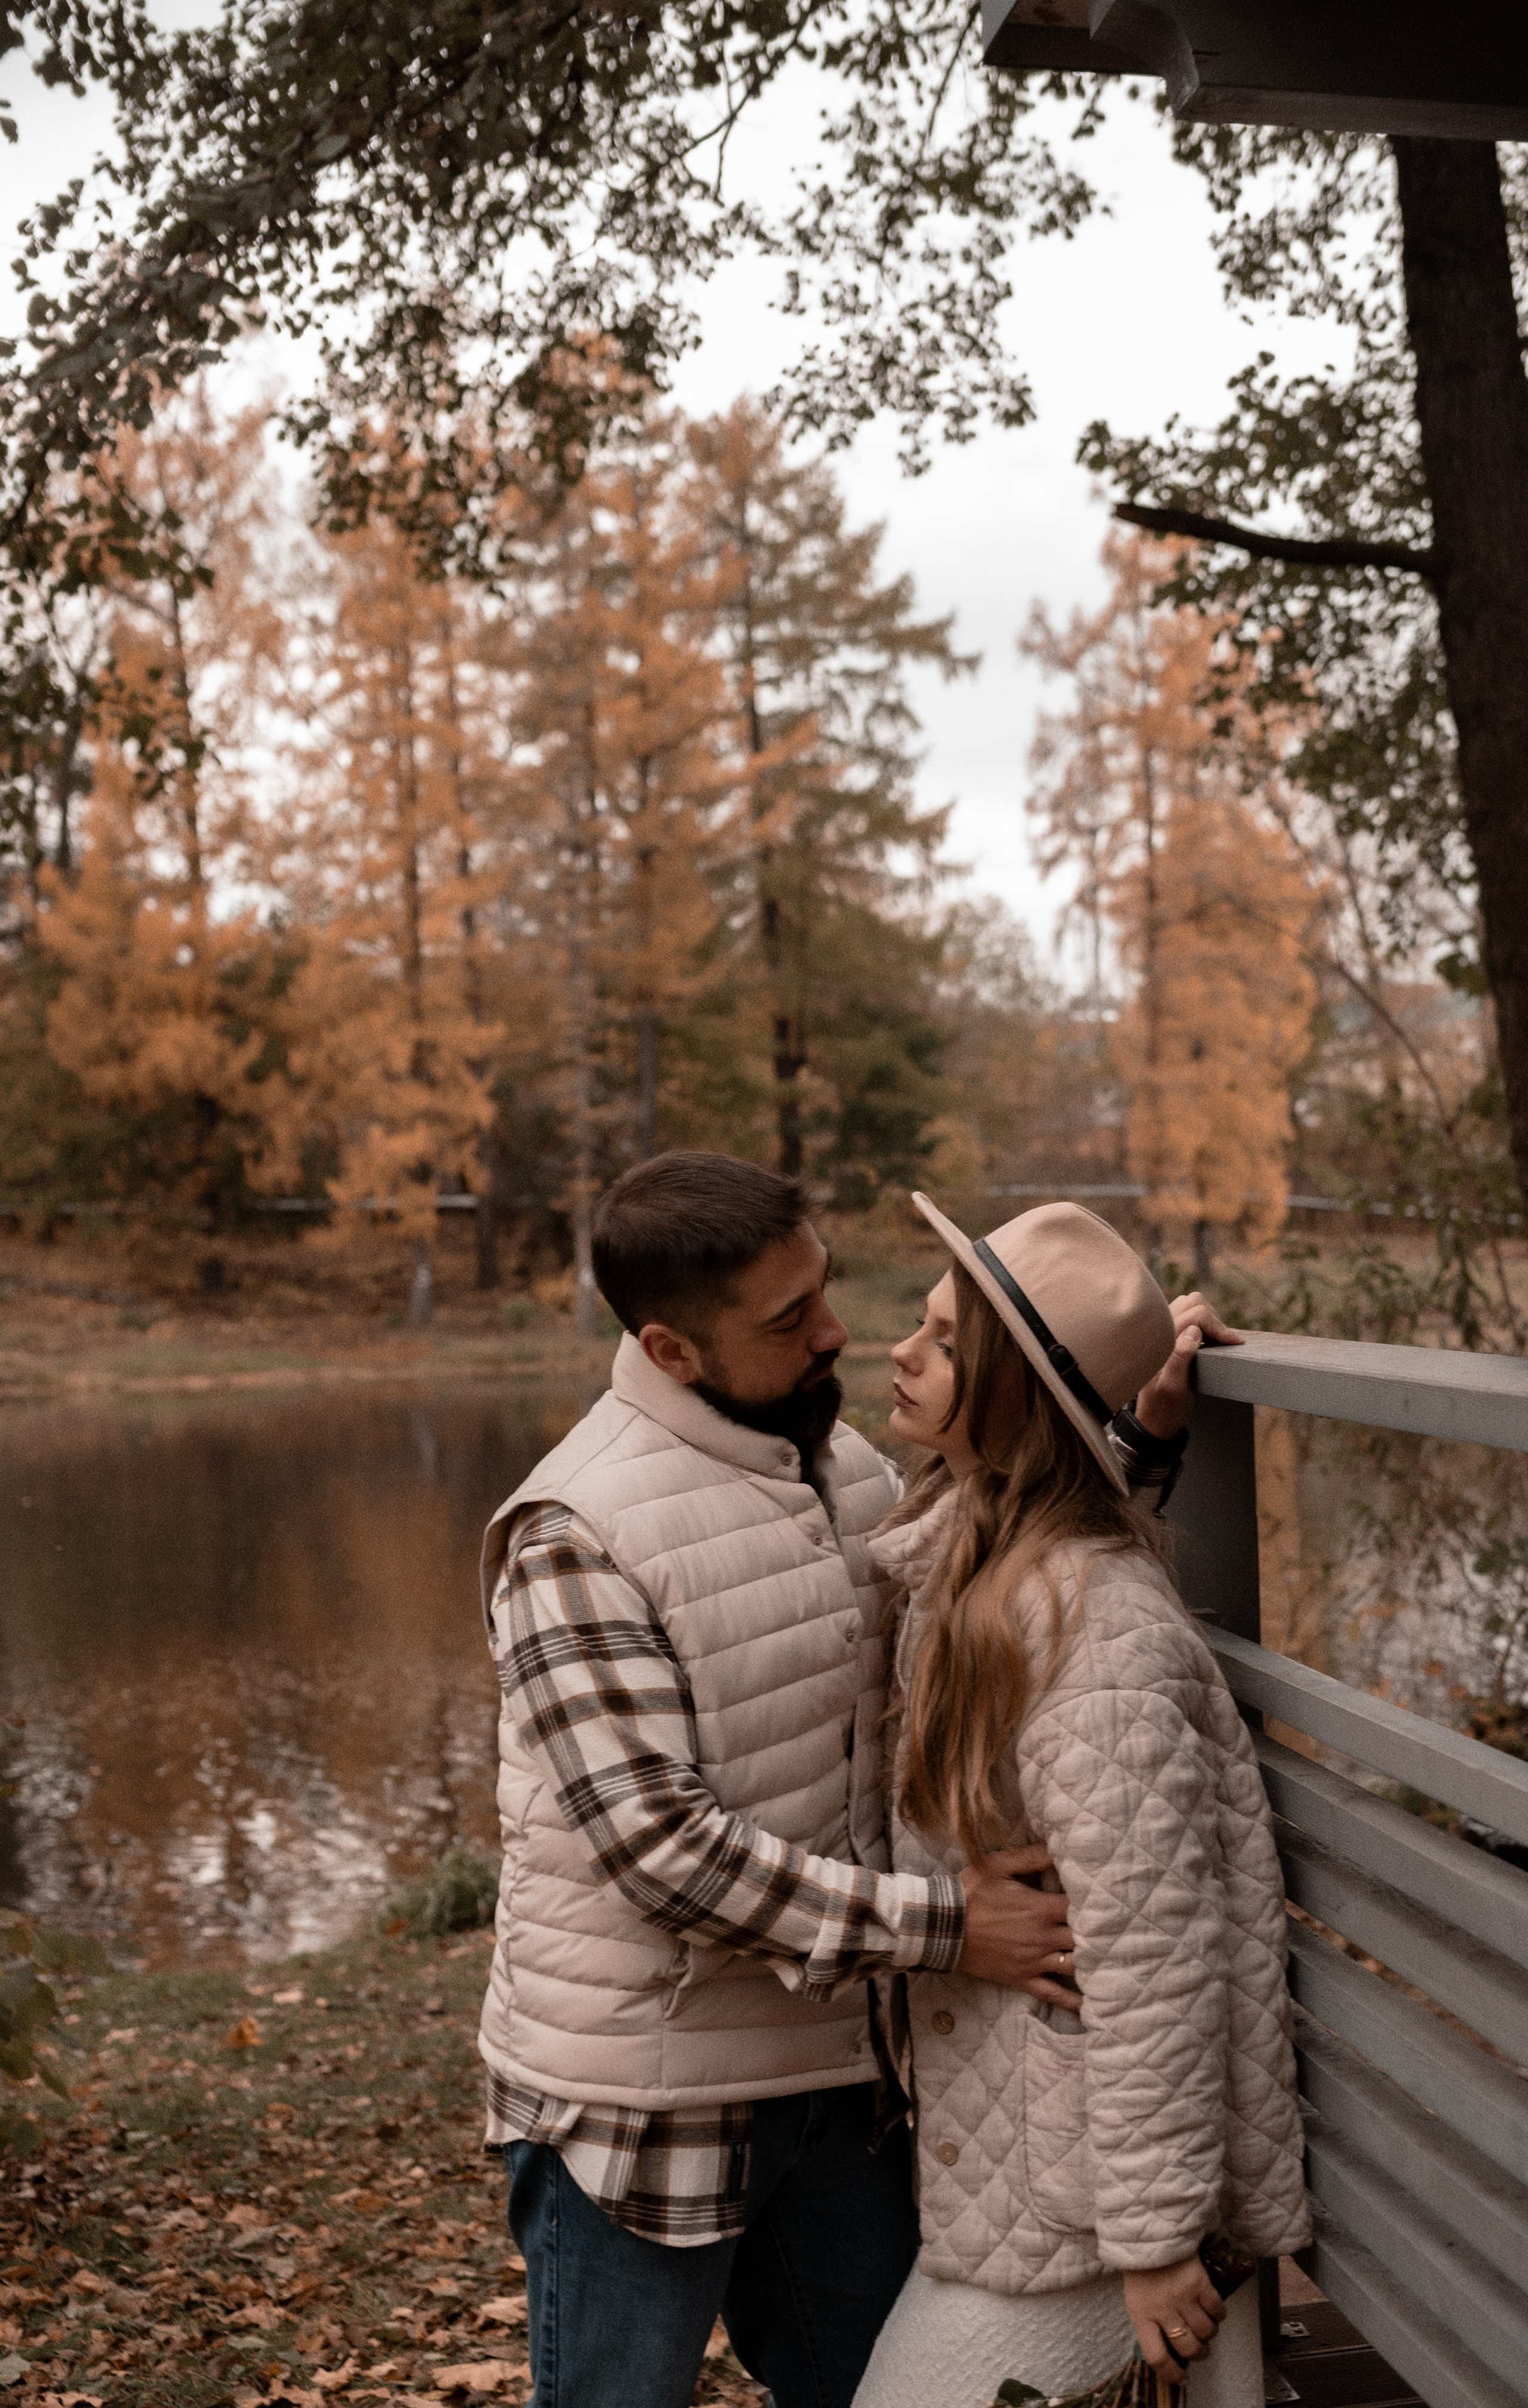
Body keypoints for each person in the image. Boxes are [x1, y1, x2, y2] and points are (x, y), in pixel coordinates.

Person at [476, 1153, 1211, 2408]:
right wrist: (950, 1928)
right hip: (645, 2110)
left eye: (823, 1287)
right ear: (671, 1349)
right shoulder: (573, 1534)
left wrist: (1122, 1414)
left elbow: (1005, 1581)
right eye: (788, 1320)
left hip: (833, 2084)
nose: (835, 1333)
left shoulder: (841, 1467)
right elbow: (661, 1851)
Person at [851, 1195, 1309, 2408]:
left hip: (1093, 2205)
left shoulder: (1093, 1627)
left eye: (944, 1341)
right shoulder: (976, 1552)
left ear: (1019, 1399)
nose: (901, 1350)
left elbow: (1156, 1951)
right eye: (919, 1323)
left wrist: (1154, 2239)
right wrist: (1145, 1410)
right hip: (1032, 2162)